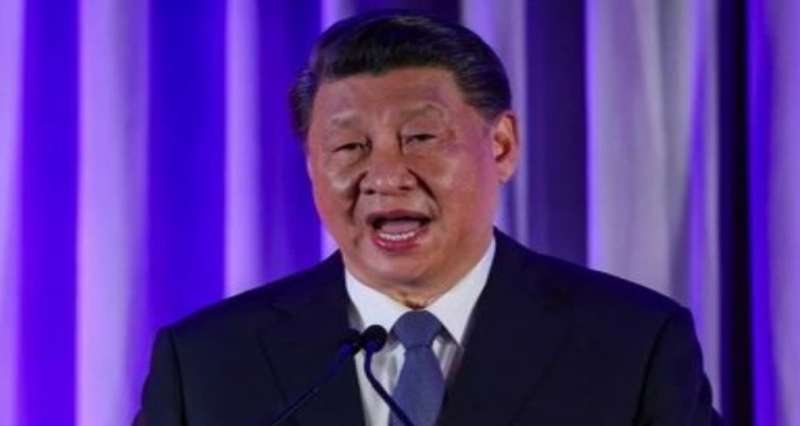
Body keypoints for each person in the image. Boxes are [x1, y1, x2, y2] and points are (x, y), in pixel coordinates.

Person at [136, 11, 718, 426]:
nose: (386, 176)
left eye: (420, 138)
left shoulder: (631, 345)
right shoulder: (207, 363)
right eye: (349, 147)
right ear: (312, 166)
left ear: (502, 146)